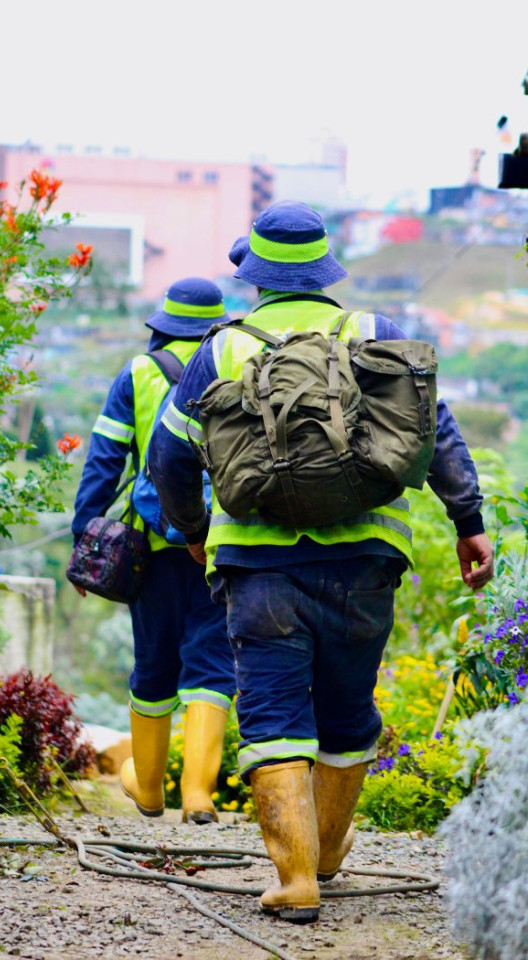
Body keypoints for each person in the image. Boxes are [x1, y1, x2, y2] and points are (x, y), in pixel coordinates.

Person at [148, 202, 494, 921]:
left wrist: (191, 530)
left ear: (257, 276)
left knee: (273, 714)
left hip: (259, 569)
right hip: (365, 562)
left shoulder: (221, 349)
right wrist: (469, 523)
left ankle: (295, 877)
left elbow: (169, 458)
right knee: (346, 715)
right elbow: (436, 433)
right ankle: (328, 853)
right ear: (326, 267)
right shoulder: (376, 333)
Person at [71, 277, 236, 824]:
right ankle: (198, 795)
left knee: (154, 663)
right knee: (212, 666)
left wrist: (84, 535)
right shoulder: (235, 365)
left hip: (156, 545)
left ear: (162, 326)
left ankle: (147, 789)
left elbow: (105, 460)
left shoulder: (139, 373)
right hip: (223, 545)